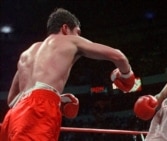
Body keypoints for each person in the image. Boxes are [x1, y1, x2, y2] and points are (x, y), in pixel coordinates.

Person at [0, 8, 135, 141]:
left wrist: (57, 98)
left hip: (13, 117)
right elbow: (118, 56)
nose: (78, 36)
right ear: (65, 28)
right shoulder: (70, 41)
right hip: (38, 111)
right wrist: (126, 76)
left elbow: (12, 100)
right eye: (77, 32)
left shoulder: (26, 53)